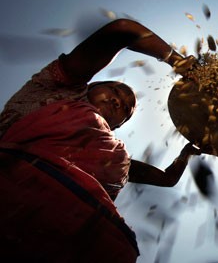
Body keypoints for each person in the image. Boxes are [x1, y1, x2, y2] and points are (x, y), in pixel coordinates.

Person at [0, 19, 201, 261]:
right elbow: (123, 30)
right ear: (91, 86)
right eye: (115, 91)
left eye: (126, 110)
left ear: (117, 126)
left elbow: (167, 179)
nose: (119, 102)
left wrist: (187, 152)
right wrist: (178, 62)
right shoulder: (56, 90)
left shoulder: (116, 160)